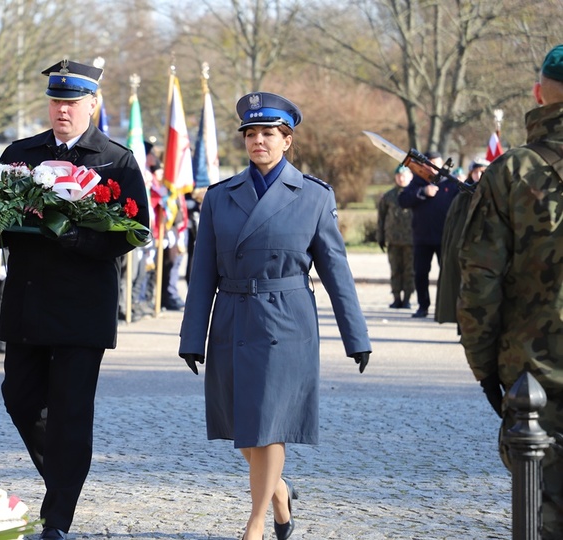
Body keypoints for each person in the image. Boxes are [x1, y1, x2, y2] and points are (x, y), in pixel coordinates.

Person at [0, 59, 149, 539]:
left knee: (70, 412)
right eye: (55, 101)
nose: (62, 110)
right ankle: (66, 477)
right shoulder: (22, 153)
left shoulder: (116, 158)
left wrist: (72, 236)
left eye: (71, 102)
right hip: (28, 302)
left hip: (82, 307)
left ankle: (58, 517)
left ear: (93, 103)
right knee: (20, 398)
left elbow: (135, 232)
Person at [178, 92, 371, 540]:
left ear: (288, 140)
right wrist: (192, 336)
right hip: (232, 318)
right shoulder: (221, 197)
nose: (258, 141)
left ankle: (257, 523)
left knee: (268, 429)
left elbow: (335, 269)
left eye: (268, 133)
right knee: (245, 434)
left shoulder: (313, 197)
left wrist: (355, 335)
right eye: (251, 133)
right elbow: (202, 272)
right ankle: (279, 491)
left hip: (286, 323)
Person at [457, 44, 563, 539]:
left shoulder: (514, 171)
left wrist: (487, 376)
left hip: (539, 383)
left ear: (540, 93)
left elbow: (479, 286)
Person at [398, 150, 459, 318]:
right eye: (430, 165)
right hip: (422, 237)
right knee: (420, 273)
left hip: (444, 238)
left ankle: (446, 308)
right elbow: (403, 200)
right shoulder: (418, 182)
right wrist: (423, 192)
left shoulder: (451, 183)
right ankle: (423, 306)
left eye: (437, 165)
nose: (434, 169)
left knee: (447, 275)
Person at [434, 157, 488, 325]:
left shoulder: (493, 195)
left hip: (483, 252)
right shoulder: (462, 196)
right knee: (460, 290)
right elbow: (453, 226)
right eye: (476, 171)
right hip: (460, 251)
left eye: (483, 171)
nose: (479, 175)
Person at [376, 165, 415, 309]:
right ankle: (396, 297)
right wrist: (380, 236)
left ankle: (407, 298)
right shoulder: (388, 196)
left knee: (410, 271)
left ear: (410, 177)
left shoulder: (415, 194)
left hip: (411, 240)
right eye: (399, 175)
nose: (401, 178)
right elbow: (381, 218)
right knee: (395, 270)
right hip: (393, 239)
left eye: (404, 175)